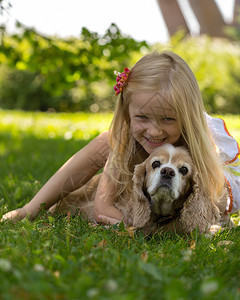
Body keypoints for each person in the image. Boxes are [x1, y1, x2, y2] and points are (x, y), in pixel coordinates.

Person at [2, 51, 240, 224]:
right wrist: (136, 226)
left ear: (187, 117)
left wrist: (148, 231)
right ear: (127, 112)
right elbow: (102, 209)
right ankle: (30, 209)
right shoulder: (126, 134)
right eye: (143, 118)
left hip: (211, 179)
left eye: (168, 119)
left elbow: (209, 214)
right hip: (142, 176)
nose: (154, 131)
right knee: (106, 141)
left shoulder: (204, 147)